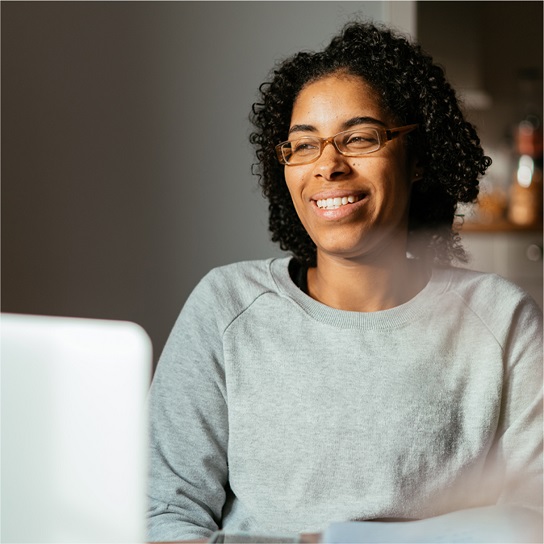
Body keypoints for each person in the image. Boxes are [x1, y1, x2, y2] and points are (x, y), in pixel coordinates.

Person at [147, 21, 543, 543]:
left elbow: (532, 520)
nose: (328, 165)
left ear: (417, 156)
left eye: (359, 138)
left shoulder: (500, 320)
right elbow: (163, 517)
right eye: (303, 145)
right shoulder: (225, 308)